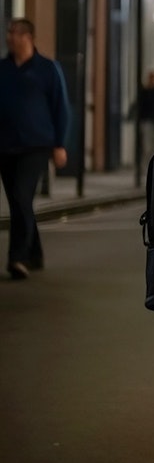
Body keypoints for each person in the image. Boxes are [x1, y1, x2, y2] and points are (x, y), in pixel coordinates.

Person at [0, 18, 70, 280]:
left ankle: (17, 258)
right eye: (8, 33)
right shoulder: (3, 69)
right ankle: (35, 253)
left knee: (21, 196)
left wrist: (60, 144)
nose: (10, 38)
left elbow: (60, 107)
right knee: (20, 202)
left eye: (15, 34)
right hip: (5, 146)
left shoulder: (48, 69)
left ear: (28, 37)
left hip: (36, 145)